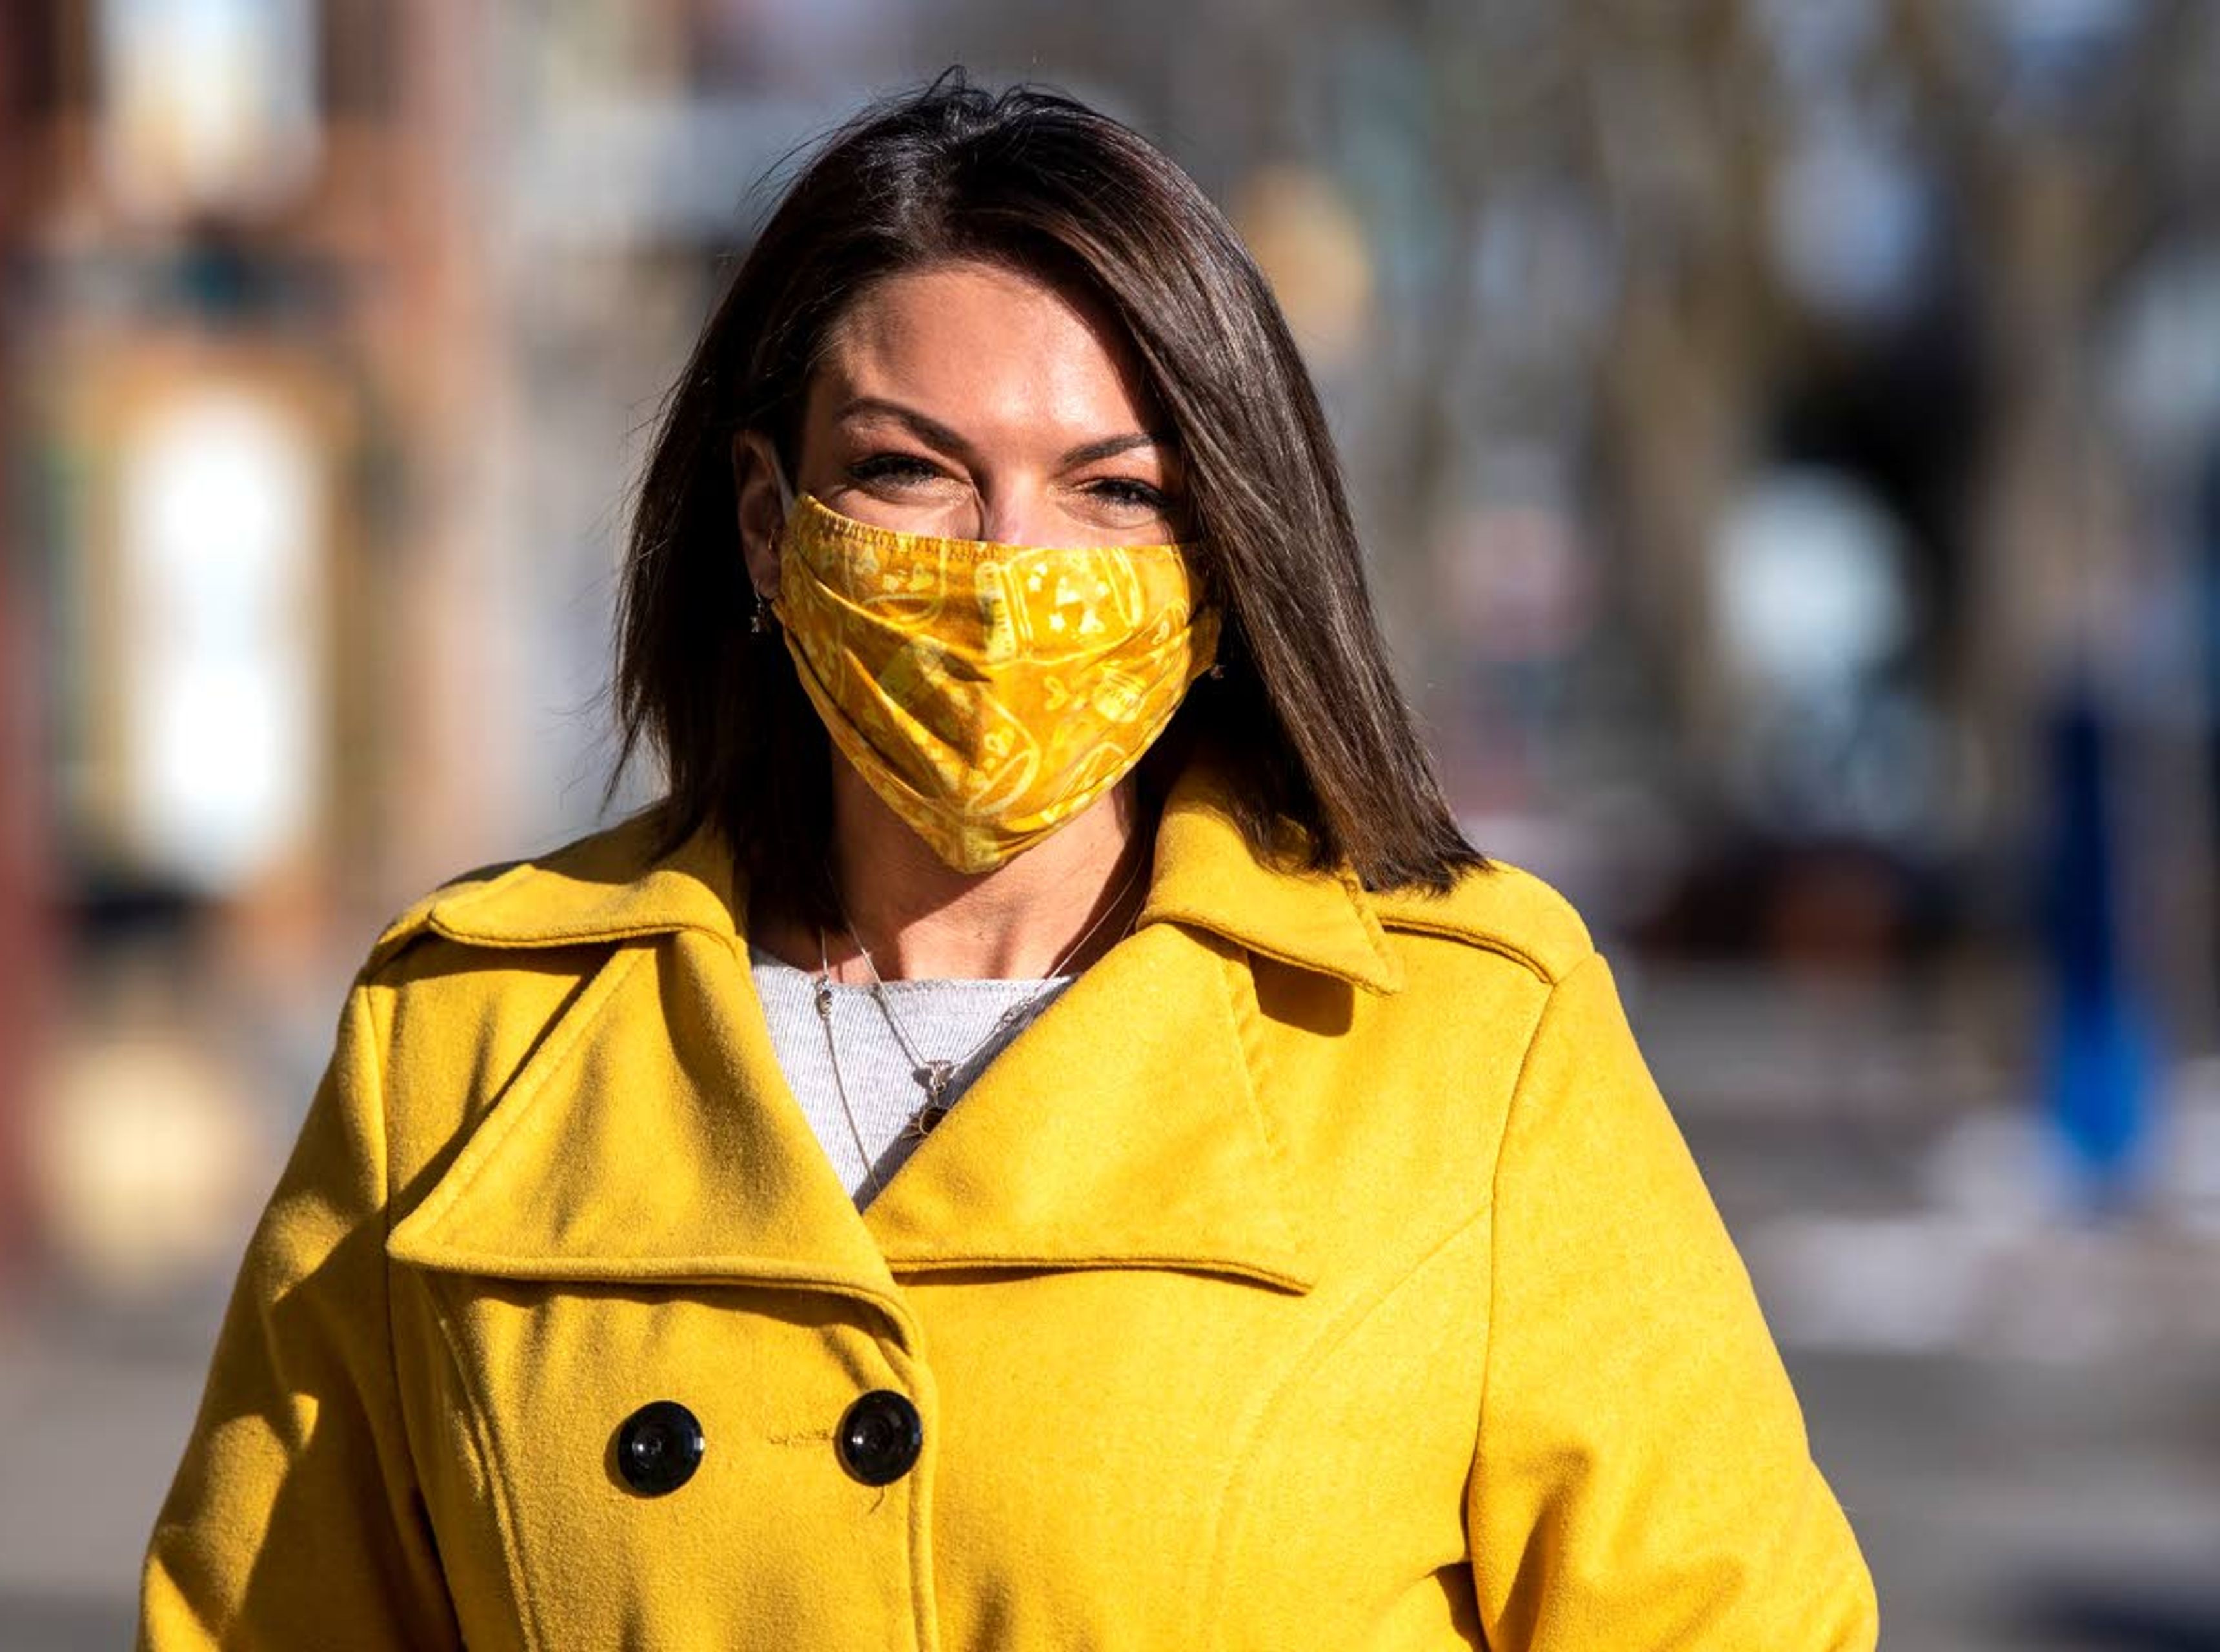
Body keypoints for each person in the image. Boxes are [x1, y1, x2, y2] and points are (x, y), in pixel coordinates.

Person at [137, 69, 1880, 1650]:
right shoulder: (467, 1042)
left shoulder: (1460, 1040)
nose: (1009, 564)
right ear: (770, 524)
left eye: (1113, 491)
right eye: (913, 470)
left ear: (1218, 561)